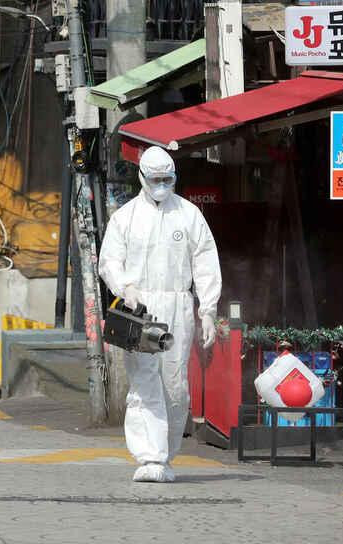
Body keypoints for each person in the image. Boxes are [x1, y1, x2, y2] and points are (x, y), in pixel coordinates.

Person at [98, 146, 221, 483]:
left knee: (174, 383)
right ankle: (149, 456)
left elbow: (206, 263)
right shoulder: (125, 217)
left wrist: (207, 310)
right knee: (144, 380)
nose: (162, 185)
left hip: (178, 305)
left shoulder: (189, 214)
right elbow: (109, 261)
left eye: (168, 179)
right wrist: (126, 287)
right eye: (156, 179)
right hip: (140, 309)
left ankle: (166, 454)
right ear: (142, 177)